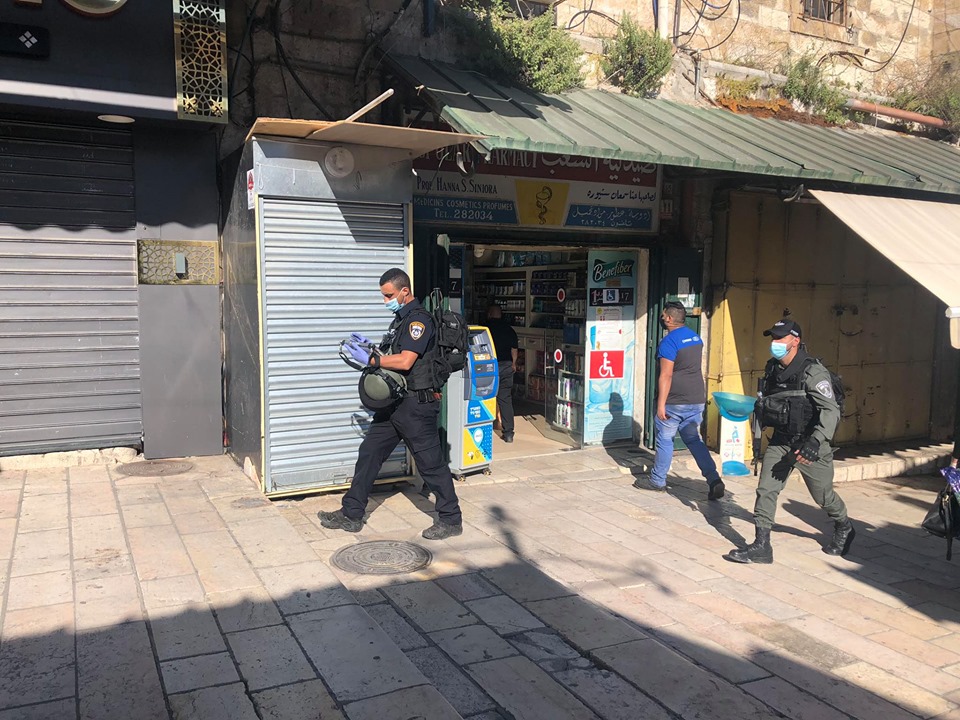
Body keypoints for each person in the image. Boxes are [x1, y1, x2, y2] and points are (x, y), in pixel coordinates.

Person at [320, 268, 463, 540]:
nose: (385, 300)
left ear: (404, 291)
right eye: (384, 296)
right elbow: (393, 357)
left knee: (431, 465)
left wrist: (371, 360)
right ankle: (351, 514)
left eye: (388, 295)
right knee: (369, 452)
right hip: (395, 403)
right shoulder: (400, 321)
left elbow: (406, 361)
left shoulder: (418, 321)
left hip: (417, 405)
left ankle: (451, 519)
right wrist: (372, 349)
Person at [725, 319, 854, 564]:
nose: (774, 343)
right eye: (773, 338)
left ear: (795, 341)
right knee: (766, 489)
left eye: (780, 338)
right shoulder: (772, 369)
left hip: (810, 445)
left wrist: (816, 441)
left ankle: (844, 525)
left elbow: (830, 410)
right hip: (781, 441)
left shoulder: (813, 372)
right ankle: (762, 546)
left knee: (823, 497)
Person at [634, 301, 723, 499]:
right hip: (696, 398)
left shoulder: (669, 342)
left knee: (665, 439)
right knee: (694, 440)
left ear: (669, 318)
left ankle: (657, 481)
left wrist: (661, 405)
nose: (662, 318)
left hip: (674, 401)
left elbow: (666, 375)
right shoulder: (695, 337)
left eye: (663, 315)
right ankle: (714, 479)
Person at [485, 304, 519, 442]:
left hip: (489, 366)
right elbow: (514, 349)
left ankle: (483, 427)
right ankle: (509, 433)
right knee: (505, 399)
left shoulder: (486, 329)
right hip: (506, 366)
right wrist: (513, 363)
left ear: (490, 314)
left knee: (484, 396)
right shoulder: (509, 329)